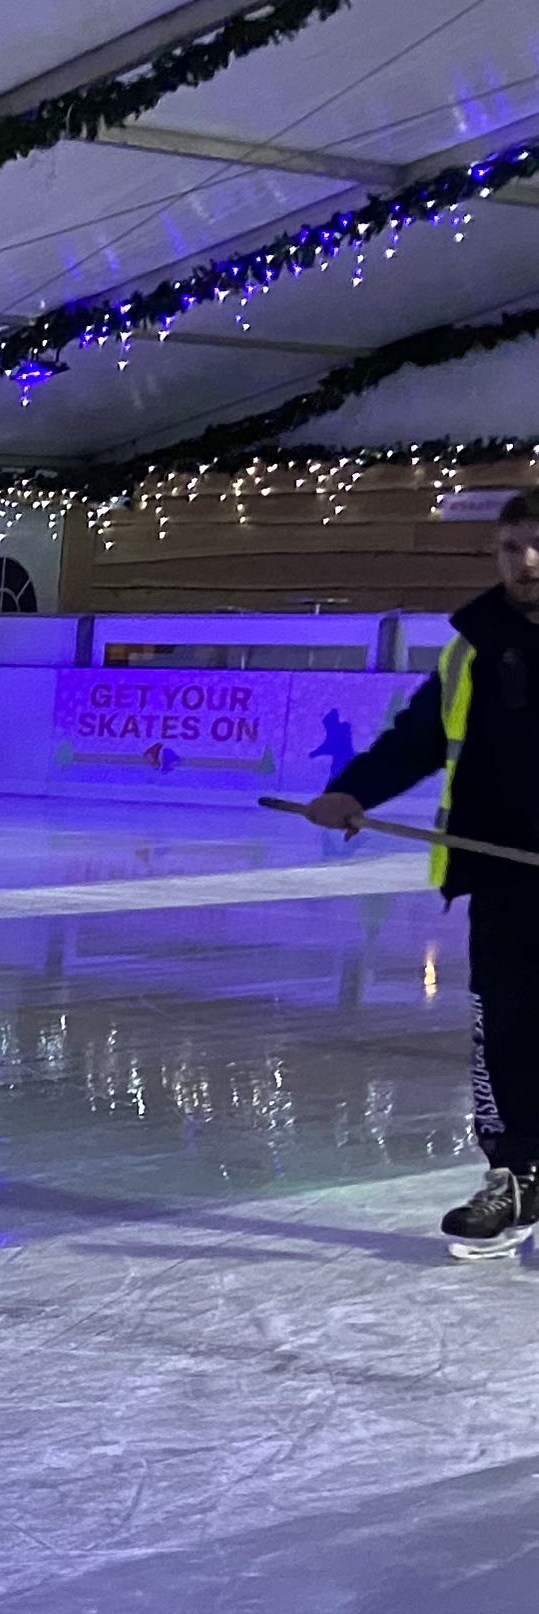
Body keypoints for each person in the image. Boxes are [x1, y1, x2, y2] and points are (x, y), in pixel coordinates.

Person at [304, 487, 539, 1253]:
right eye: (511, 547)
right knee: (503, 1027)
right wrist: (352, 791)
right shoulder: (473, 644)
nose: (526, 562)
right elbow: (418, 738)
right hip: (502, 873)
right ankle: (515, 1175)